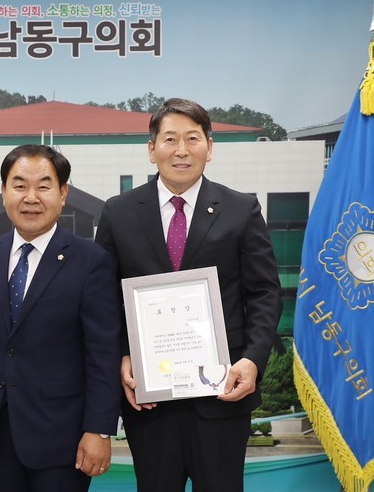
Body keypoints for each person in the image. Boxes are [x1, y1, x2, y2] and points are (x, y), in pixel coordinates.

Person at [94, 98, 282, 492]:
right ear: (152, 149)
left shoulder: (241, 209)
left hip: (222, 394)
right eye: (170, 139)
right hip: (150, 400)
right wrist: (123, 355)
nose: (181, 150)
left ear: (209, 148)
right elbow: (104, 299)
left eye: (193, 139)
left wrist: (252, 361)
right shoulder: (118, 212)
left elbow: (264, 293)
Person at [0, 144, 122, 492]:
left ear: (63, 193)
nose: (31, 197)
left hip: (62, 435)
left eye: (43, 186)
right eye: (20, 185)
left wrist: (99, 429)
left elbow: (103, 353)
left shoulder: (90, 261)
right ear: (4, 191)